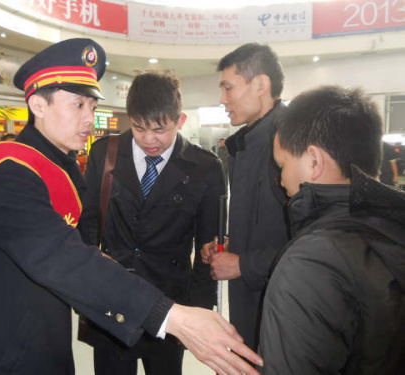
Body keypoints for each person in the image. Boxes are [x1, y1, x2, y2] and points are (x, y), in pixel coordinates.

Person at [0, 38, 262, 375]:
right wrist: (172, 316)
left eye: (92, 106)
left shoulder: (62, 166)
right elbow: (62, 255)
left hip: (42, 339)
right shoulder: (8, 171)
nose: (90, 118)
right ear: (38, 105)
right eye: (78, 105)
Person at [79, 71, 226, 375]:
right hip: (112, 297)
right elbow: (88, 224)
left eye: (160, 129)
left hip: (171, 303)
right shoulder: (104, 154)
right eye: (138, 127)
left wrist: (199, 312)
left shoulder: (205, 168)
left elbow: (206, 250)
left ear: (180, 120)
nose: (148, 139)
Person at [259, 85, 405, 373]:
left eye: (282, 165)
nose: (281, 179)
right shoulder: (394, 227)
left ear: (314, 161)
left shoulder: (311, 262)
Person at [201, 43, 289, 350]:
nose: (223, 99)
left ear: (260, 84)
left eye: (228, 87)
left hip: (284, 312)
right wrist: (227, 246)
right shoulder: (247, 144)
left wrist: (243, 265)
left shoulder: (292, 144)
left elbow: (317, 241)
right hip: (250, 307)